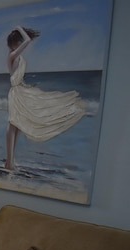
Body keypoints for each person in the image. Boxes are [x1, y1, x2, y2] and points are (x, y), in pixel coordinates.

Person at [5, 26, 86, 170]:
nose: (19, 44)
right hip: (16, 92)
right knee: (13, 124)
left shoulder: (18, 56)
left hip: (21, 90)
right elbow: (28, 40)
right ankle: (9, 161)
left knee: (18, 125)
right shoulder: (13, 55)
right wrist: (19, 28)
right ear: (14, 43)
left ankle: (10, 160)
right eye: (17, 42)